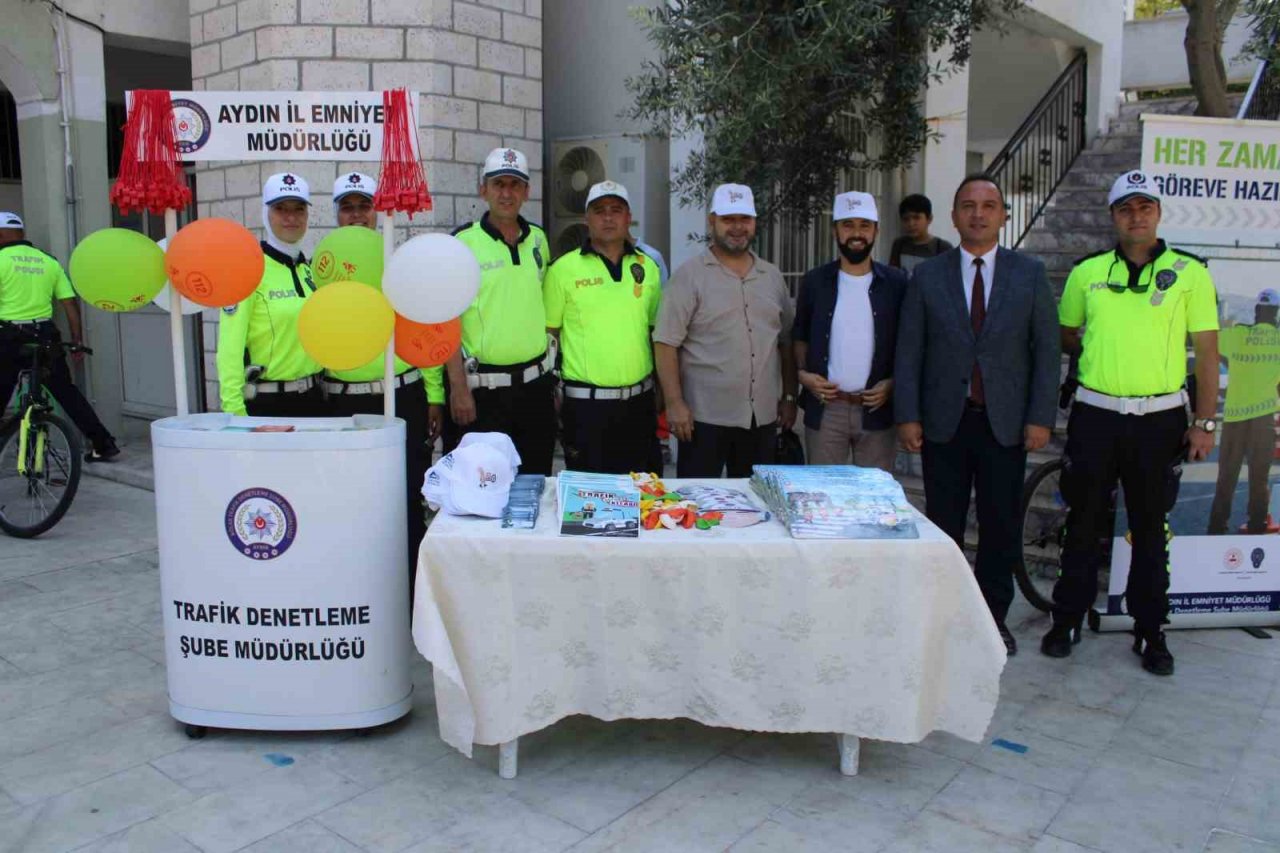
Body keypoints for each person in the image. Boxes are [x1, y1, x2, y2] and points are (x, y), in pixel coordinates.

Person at [1043, 169, 1219, 675]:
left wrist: (1204, 423)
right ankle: (1067, 618)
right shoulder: (1087, 272)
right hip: (1095, 415)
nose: (1136, 216)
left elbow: (1207, 352)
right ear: (1113, 217)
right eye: (1126, 208)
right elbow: (1067, 332)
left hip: (1159, 420)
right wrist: (1105, 353)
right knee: (1082, 523)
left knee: (1149, 527)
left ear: (1158, 212)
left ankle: (1150, 630)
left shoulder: (1191, 273)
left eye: (1145, 207)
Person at [895, 175, 1060, 656]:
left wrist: (1039, 417)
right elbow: (910, 351)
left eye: (989, 205)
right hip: (945, 423)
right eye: (968, 205)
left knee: (999, 527)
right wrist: (908, 414)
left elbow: (1047, 352)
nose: (979, 214)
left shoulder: (1028, 274)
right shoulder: (928, 275)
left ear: (1004, 215)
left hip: (1004, 425)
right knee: (943, 527)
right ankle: (943, 619)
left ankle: (992, 620)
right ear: (954, 216)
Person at [319, 171, 442, 575]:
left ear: (378, 211)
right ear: (336, 214)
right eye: (347, 207)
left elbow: (425, 328)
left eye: (364, 206)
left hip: (402, 394)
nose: (356, 215)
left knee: (406, 498)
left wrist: (435, 393)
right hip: (343, 399)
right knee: (348, 501)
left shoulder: (400, 260)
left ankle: (410, 594)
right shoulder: (322, 267)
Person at [653, 183, 797, 477]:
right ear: (712, 222)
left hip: (762, 420)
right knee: (697, 505)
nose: (737, 227)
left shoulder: (772, 277)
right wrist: (674, 403)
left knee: (756, 510)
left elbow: (785, 344)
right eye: (728, 219)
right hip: (703, 420)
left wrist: (790, 397)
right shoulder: (689, 276)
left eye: (744, 219)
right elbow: (665, 343)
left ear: (754, 222)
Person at [444, 148, 556, 475]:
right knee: (481, 492)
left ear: (526, 192)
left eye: (515, 185)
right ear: (484, 190)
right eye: (498, 184)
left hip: (535, 389)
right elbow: (446, 318)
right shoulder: (462, 243)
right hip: (482, 392)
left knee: (535, 485)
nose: (506, 193)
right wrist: (458, 388)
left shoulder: (538, 239)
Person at [544, 180, 661, 473]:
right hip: (586, 408)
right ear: (587, 218)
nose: (608, 217)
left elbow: (654, 332)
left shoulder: (648, 268)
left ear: (628, 217)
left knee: (645, 497)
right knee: (590, 502)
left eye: (616, 210)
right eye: (599, 211)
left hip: (639, 405)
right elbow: (549, 336)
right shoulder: (562, 270)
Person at [793, 191, 907, 470]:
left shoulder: (897, 283)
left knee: (875, 501)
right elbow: (799, 336)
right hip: (827, 410)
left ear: (876, 231)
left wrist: (893, 384)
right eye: (848, 225)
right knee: (822, 497)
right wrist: (804, 375)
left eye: (864, 226)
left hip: (878, 411)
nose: (856, 233)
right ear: (835, 231)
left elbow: (910, 344)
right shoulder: (815, 281)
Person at [0, 212, 119, 461]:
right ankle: (103, 443)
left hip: (8, 336)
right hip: (45, 336)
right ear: (21, 234)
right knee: (66, 391)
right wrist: (76, 341)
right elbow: (69, 304)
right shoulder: (48, 262)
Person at [217, 172, 323, 417]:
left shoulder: (309, 270)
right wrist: (235, 414)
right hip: (268, 404)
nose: (291, 217)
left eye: (299, 209)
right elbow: (229, 350)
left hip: (315, 399)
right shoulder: (247, 270)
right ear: (266, 213)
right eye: (280, 208)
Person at [1208, 288, 1280, 535]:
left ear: (1257, 310)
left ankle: (1216, 529)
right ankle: (1257, 526)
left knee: (1226, 478)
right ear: (1277, 313)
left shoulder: (1237, 335)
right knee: (1259, 479)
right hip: (1264, 419)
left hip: (1234, 418)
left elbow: (1212, 346)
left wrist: (1236, 364)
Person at [889, 194, 953, 273]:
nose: (911, 224)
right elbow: (892, 275)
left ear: (929, 219)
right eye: (906, 219)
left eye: (916, 218)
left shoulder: (942, 248)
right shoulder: (899, 245)